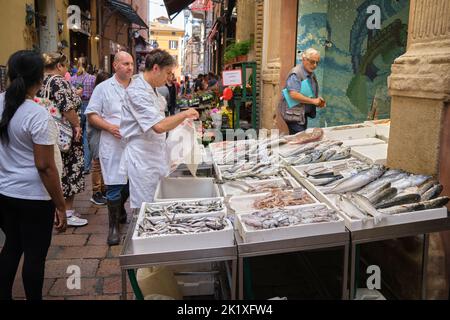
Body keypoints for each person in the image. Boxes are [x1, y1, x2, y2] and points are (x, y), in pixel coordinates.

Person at [0, 50, 66, 300]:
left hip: (5, 192)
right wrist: (60, 205)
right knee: (35, 255)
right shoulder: (37, 114)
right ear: (40, 79)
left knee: (12, 247)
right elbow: (45, 166)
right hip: (34, 197)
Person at [119, 49, 199, 211]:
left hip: (155, 154)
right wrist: (184, 115)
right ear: (156, 68)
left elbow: (163, 122)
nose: (169, 78)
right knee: (146, 206)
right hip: (143, 158)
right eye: (168, 72)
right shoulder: (137, 92)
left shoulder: (155, 91)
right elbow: (159, 126)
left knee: (157, 201)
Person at [85, 52, 133, 246]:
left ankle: (120, 207)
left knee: (130, 182)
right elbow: (92, 115)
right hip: (112, 144)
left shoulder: (138, 87)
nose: (130, 67)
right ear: (115, 66)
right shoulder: (103, 88)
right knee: (114, 183)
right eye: (125, 64)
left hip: (134, 144)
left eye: (131, 64)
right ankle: (113, 227)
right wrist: (110, 127)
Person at [37, 53, 87, 227]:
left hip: (47, 133)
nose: (67, 69)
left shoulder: (39, 81)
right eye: (65, 65)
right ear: (59, 66)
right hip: (64, 135)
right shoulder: (58, 81)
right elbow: (67, 107)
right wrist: (77, 125)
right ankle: (68, 211)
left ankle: (56, 210)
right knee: (69, 170)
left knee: (56, 169)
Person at [281, 48, 326, 134]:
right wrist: (313, 101)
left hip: (301, 114)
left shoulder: (310, 72)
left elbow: (307, 91)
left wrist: (317, 100)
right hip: (293, 115)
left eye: (317, 62)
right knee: (300, 141)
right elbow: (293, 94)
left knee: (300, 139)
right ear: (304, 59)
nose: (315, 65)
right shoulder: (296, 73)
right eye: (312, 62)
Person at [87, 72, 111, 206]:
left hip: (103, 132)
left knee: (102, 162)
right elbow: (93, 117)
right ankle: (96, 192)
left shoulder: (105, 93)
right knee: (96, 162)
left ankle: (102, 190)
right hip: (96, 132)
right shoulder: (97, 94)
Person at [70, 57, 96, 175]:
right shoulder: (92, 78)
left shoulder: (71, 79)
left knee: (75, 135)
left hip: (75, 108)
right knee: (86, 137)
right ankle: (86, 166)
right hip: (89, 106)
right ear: (88, 66)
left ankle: (75, 164)